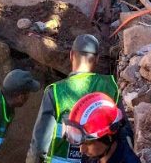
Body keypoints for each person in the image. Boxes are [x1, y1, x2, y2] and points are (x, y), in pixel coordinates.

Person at [26, 35, 123, 163]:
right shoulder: (112, 85)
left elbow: (40, 144)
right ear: (97, 59)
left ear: (71, 55)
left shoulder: (55, 91)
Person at [65, 93, 139, 163]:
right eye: (81, 143)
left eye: (88, 143)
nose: (82, 150)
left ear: (109, 138)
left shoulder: (128, 160)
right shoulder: (91, 156)